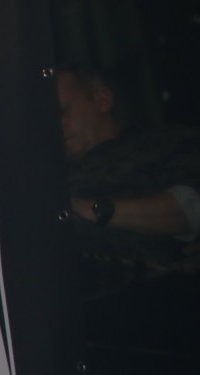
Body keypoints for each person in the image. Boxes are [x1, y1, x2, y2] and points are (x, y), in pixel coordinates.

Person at [58, 66, 200, 252]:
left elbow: (191, 209)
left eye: (62, 111)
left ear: (102, 101)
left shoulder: (165, 143)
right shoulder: (50, 173)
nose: (55, 125)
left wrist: (89, 209)